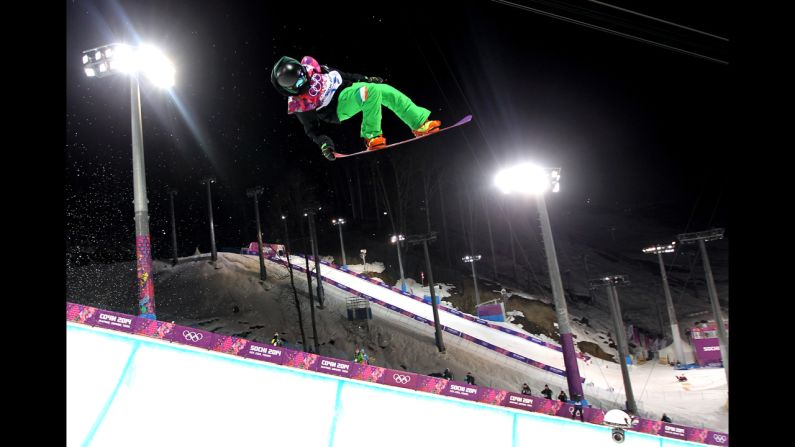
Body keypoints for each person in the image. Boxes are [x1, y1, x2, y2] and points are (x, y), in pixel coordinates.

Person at [271, 55, 441, 160]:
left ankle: (419, 123)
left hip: (348, 88)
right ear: (290, 88)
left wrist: (366, 78)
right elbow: (312, 130)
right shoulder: (300, 103)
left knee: (387, 92)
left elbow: (343, 75)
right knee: (370, 92)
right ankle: (371, 136)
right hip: (336, 107)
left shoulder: (315, 68)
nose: (305, 81)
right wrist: (325, 144)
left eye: (303, 75)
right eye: (299, 83)